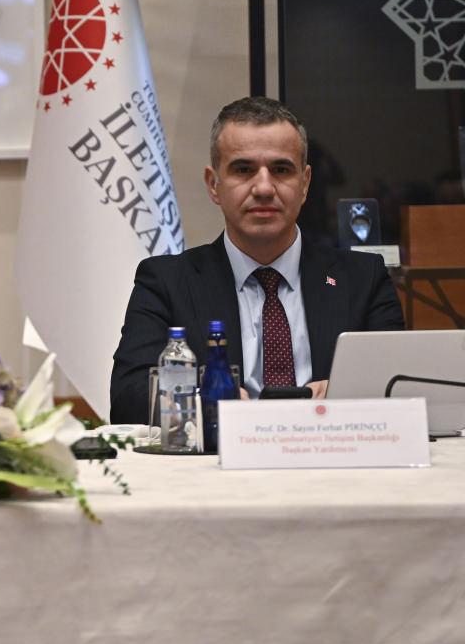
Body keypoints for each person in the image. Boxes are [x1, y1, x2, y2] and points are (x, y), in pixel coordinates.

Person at [109, 97, 403, 423]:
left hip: (332, 449)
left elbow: (401, 388)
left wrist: (346, 395)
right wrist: (209, 400)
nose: (263, 188)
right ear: (213, 185)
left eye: (281, 170)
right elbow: (128, 398)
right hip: (217, 454)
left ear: (305, 184)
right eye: (243, 170)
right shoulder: (166, 282)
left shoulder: (363, 278)